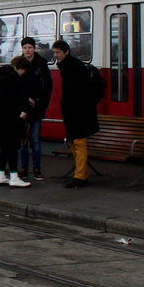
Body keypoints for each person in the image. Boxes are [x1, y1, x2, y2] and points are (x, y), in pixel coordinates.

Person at [52, 39, 100, 188]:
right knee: (74, 141)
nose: (56, 55)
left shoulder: (72, 67)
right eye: (54, 52)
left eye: (58, 52)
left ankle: (80, 176)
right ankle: (80, 174)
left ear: (66, 52)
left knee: (78, 141)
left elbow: (77, 92)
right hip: (74, 110)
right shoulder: (69, 65)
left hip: (78, 111)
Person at [0, 57, 33, 187]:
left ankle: (1, 175)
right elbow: (16, 99)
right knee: (12, 148)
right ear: (21, 68)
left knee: (5, 149)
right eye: (24, 71)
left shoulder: (3, 76)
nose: (23, 73)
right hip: (10, 120)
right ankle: (14, 176)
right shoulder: (13, 78)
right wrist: (23, 110)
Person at [17, 37, 52, 180]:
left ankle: (37, 169)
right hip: (23, 108)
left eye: (30, 47)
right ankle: (24, 168)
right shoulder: (18, 63)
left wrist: (42, 104)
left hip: (37, 108)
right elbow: (16, 86)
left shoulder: (41, 64)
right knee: (23, 140)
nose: (27, 50)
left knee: (36, 139)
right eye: (25, 48)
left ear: (34, 48)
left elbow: (48, 87)